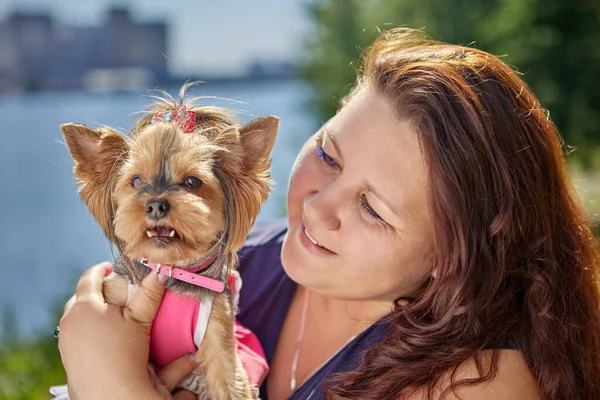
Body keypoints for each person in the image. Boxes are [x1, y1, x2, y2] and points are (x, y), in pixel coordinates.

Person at [57, 28, 600, 400]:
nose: (316, 207)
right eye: (327, 155)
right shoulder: (249, 261)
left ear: (457, 253)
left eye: (372, 208)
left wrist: (113, 386)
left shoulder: (478, 384)